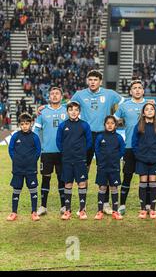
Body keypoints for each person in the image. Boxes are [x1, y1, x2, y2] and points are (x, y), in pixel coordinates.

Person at [69, 70, 124, 215]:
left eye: (95, 80)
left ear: (100, 81)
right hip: (85, 135)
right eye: (90, 79)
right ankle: (83, 205)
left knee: (104, 168)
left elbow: (123, 102)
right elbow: (66, 107)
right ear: (87, 81)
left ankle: (105, 204)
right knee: (84, 169)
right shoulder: (80, 95)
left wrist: (115, 117)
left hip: (104, 135)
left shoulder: (110, 93)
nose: (92, 82)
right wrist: (44, 108)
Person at [113, 80, 147, 215]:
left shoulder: (149, 105)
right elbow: (112, 120)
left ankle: (145, 206)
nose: (137, 90)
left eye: (140, 88)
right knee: (127, 177)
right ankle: (122, 205)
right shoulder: (124, 106)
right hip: (129, 147)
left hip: (146, 148)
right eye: (135, 88)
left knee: (144, 178)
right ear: (130, 91)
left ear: (143, 91)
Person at [57, 101, 93, 221]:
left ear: (79, 112)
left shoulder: (85, 125)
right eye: (71, 109)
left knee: (82, 183)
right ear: (67, 111)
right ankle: (67, 210)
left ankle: (82, 210)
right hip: (67, 160)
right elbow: (59, 142)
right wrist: (66, 152)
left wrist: (81, 152)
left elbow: (89, 142)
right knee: (68, 184)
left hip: (80, 160)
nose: (73, 112)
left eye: (76, 110)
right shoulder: (62, 126)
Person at [33, 87, 67, 216]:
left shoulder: (66, 110)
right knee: (45, 179)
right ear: (49, 97)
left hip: (62, 152)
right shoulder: (43, 112)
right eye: (52, 94)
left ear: (61, 96)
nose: (54, 96)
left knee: (61, 179)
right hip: (46, 152)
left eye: (57, 93)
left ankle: (64, 206)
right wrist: (38, 146)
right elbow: (36, 132)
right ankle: (43, 206)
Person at [7, 113, 41, 222]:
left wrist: (32, 161)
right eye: (22, 124)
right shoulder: (16, 136)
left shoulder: (34, 137)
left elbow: (38, 151)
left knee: (33, 190)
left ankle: (34, 212)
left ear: (31, 124)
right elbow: (11, 149)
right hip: (18, 169)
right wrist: (16, 160)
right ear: (19, 125)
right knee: (16, 190)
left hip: (31, 169)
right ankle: (14, 212)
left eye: (27, 123)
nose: (25, 126)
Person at [132, 102, 156, 220]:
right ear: (143, 112)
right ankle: (143, 209)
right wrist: (139, 155)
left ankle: (153, 209)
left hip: (154, 159)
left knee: (153, 182)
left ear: (154, 112)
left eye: (152, 109)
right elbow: (134, 143)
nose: (149, 111)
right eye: (147, 109)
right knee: (143, 182)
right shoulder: (139, 126)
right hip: (142, 159)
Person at [94, 116, 126, 221]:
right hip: (102, 167)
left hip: (114, 168)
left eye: (112, 123)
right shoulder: (100, 137)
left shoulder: (118, 137)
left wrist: (116, 158)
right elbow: (97, 150)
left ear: (115, 125)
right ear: (104, 125)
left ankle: (115, 211)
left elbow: (122, 150)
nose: (110, 125)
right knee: (102, 188)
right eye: (107, 123)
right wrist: (101, 159)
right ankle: (99, 211)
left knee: (114, 188)